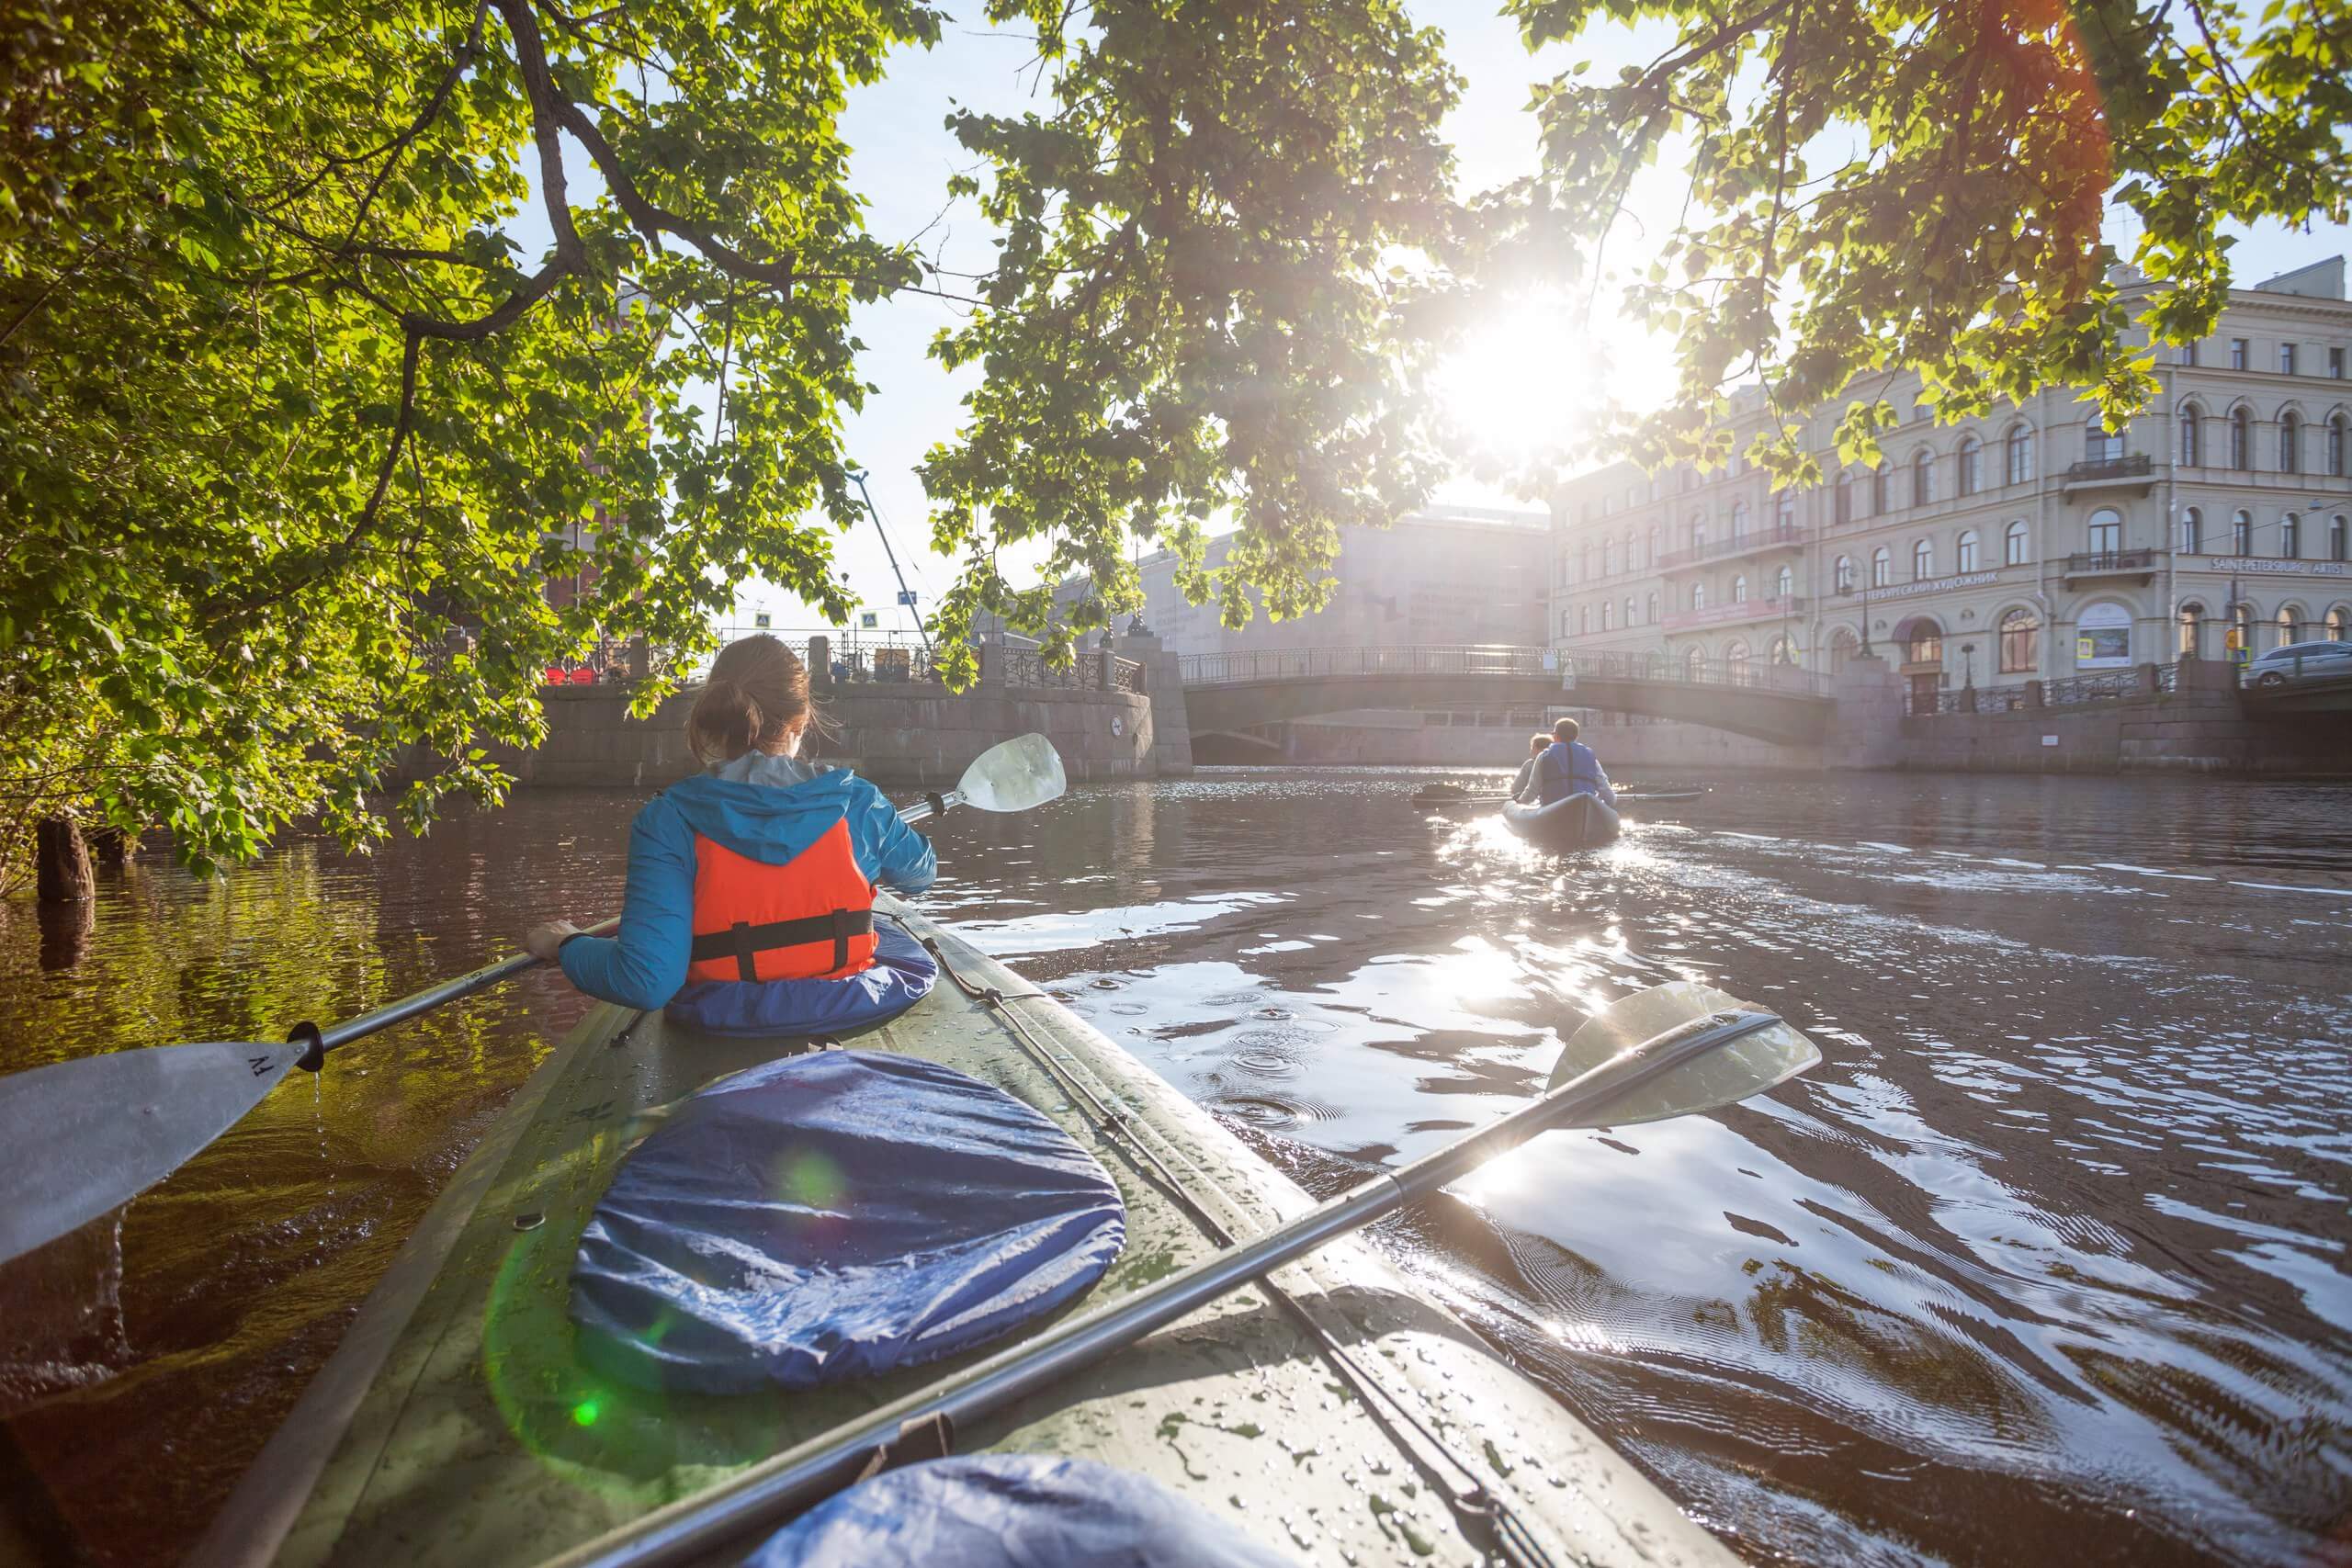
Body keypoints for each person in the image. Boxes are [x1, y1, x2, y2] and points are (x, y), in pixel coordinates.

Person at [526, 635, 938, 1036]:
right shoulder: (858, 801)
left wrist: (569, 946)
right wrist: (883, 832)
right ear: (803, 718)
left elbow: (646, 981)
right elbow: (921, 876)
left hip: (722, 1018)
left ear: (715, 712)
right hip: (849, 1004)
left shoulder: (667, 820)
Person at [1532, 716, 1616, 808]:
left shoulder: (1543, 756)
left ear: (1556, 736)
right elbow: (1608, 795)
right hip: (1583, 807)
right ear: (1576, 736)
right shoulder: (1591, 758)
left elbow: (1533, 790)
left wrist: (1519, 802)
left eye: (1553, 734)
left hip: (1553, 807)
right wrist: (1607, 803)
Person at [1510, 732, 1549, 803]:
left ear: (1539, 749)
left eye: (1533, 747)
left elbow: (1516, 788)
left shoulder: (1529, 764)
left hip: (1531, 801)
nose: (1531, 751)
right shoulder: (1557, 763)